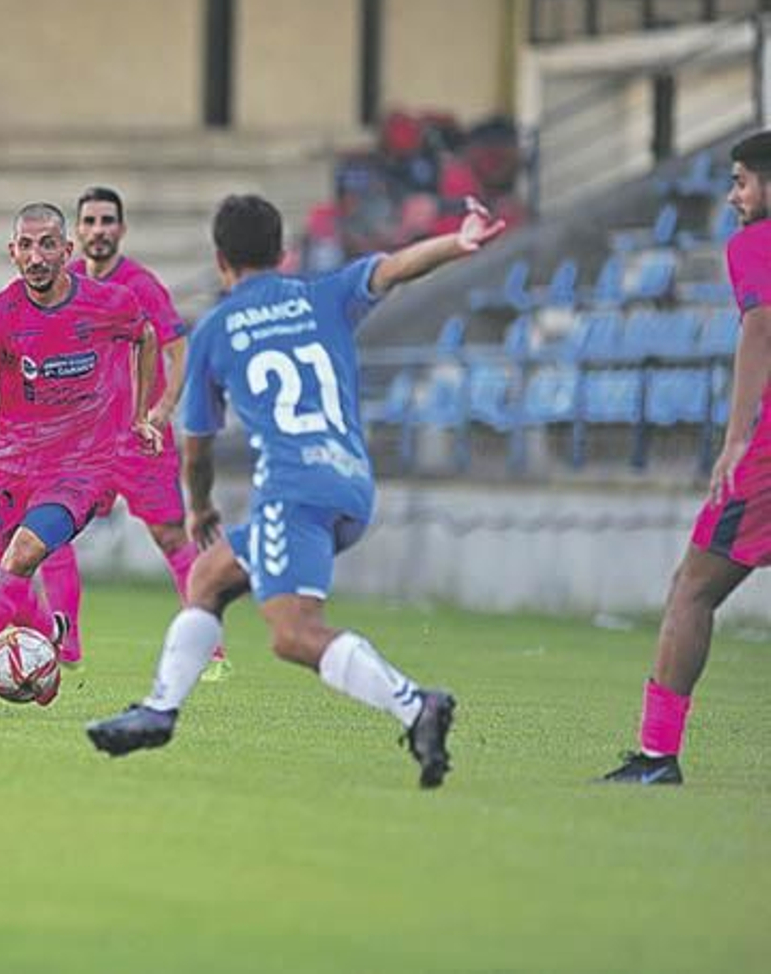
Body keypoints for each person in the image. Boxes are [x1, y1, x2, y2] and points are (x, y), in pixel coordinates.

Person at [86, 192, 506, 788]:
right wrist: (458, 242)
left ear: (220, 262)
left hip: (293, 489)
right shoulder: (322, 295)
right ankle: (158, 710)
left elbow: (198, 446)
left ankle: (416, 705)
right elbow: (394, 267)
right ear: (284, 255)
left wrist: (199, 504)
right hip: (352, 483)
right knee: (209, 576)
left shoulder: (215, 330)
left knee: (292, 634)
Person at [0, 202, 161, 710]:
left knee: (22, 555)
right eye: (26, 246)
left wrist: (141, 415)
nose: (37, 255)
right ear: (12, 253)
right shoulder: (2, 314)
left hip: (79, 470)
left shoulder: (107, 303)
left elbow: (146, 334)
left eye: (48, 243)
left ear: (66, 251)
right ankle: (49, 640)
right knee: (9, 585)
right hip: (10, 469)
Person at [602, 129, 771, 785]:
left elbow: (760, 325)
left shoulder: (755, 243)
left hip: (765, 453)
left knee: (692, 587)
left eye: (742, 181)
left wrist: (735, 438)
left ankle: (657, 756)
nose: (733, 196)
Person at [39, 186, 224, 683]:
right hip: (82, 440)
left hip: (138, 439)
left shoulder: (140, 285)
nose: (99, 230)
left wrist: (163, 409)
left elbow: (179, 349)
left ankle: (211, 647)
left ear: (121, 229)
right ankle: (66, 641)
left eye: (107, 221)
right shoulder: (66, 282)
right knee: (49, 531)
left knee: (171, 535)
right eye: (91, 222)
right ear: (77, 232)